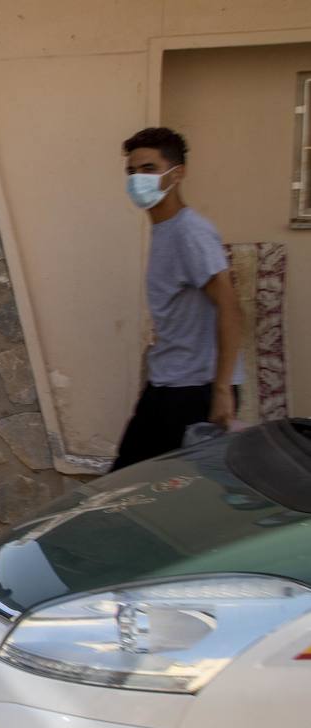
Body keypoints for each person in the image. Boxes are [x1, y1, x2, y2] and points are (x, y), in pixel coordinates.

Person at [112, 127, 244, 471]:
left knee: (174, 497)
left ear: (177, 173)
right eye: (132, 171)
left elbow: (229, 306)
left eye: (149, 169)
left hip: (194, 391)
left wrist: (221, 389)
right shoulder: (164, 229)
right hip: (167, 384)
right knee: (127, 485)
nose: (137, 179)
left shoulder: (190, 231)